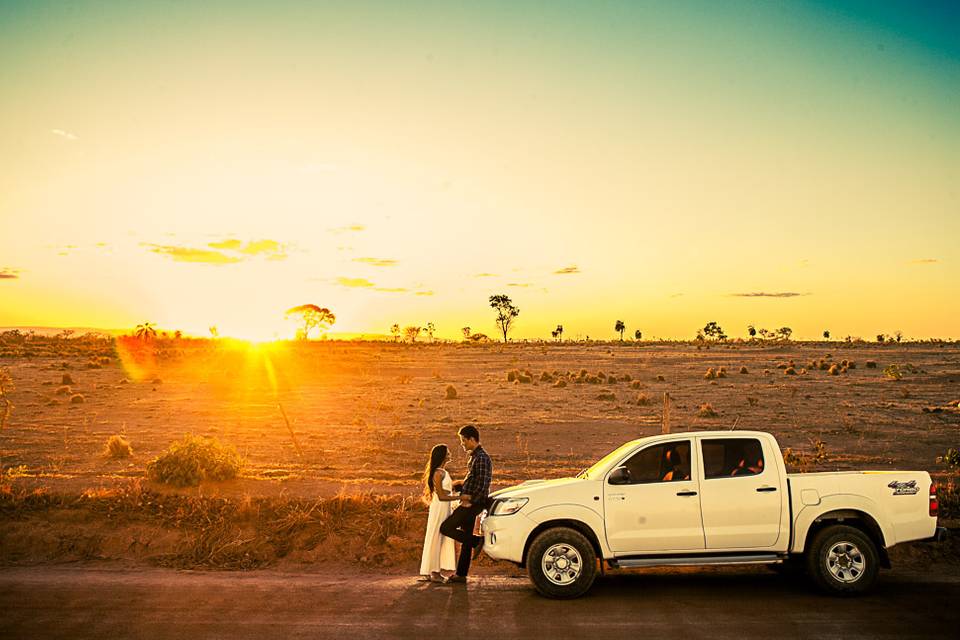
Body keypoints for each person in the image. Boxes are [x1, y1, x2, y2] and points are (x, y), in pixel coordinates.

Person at [439, 424, 492, 584]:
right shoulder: (475, 457)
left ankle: (477, 541)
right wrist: (458, 487)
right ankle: (461, 575)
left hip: (472, 504)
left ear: (472, 439)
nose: (462, 444)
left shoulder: (481, 458)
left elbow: (483, 485)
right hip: (470, 501)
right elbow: (473, 481)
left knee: (446, 528)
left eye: (463, 440)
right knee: (466, 538)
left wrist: (469, 500)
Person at [418, 444, 459, 583]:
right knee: (436, 536)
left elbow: (446, 491)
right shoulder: (438, 473)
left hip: (445, 508)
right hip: (439, 508)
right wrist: (460, 498)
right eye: (448, 453)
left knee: (440, 536)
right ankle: (434, 572)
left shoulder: (443, 472)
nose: (450, 454)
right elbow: (441, 496)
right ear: (442, 456)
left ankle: (434, 571)